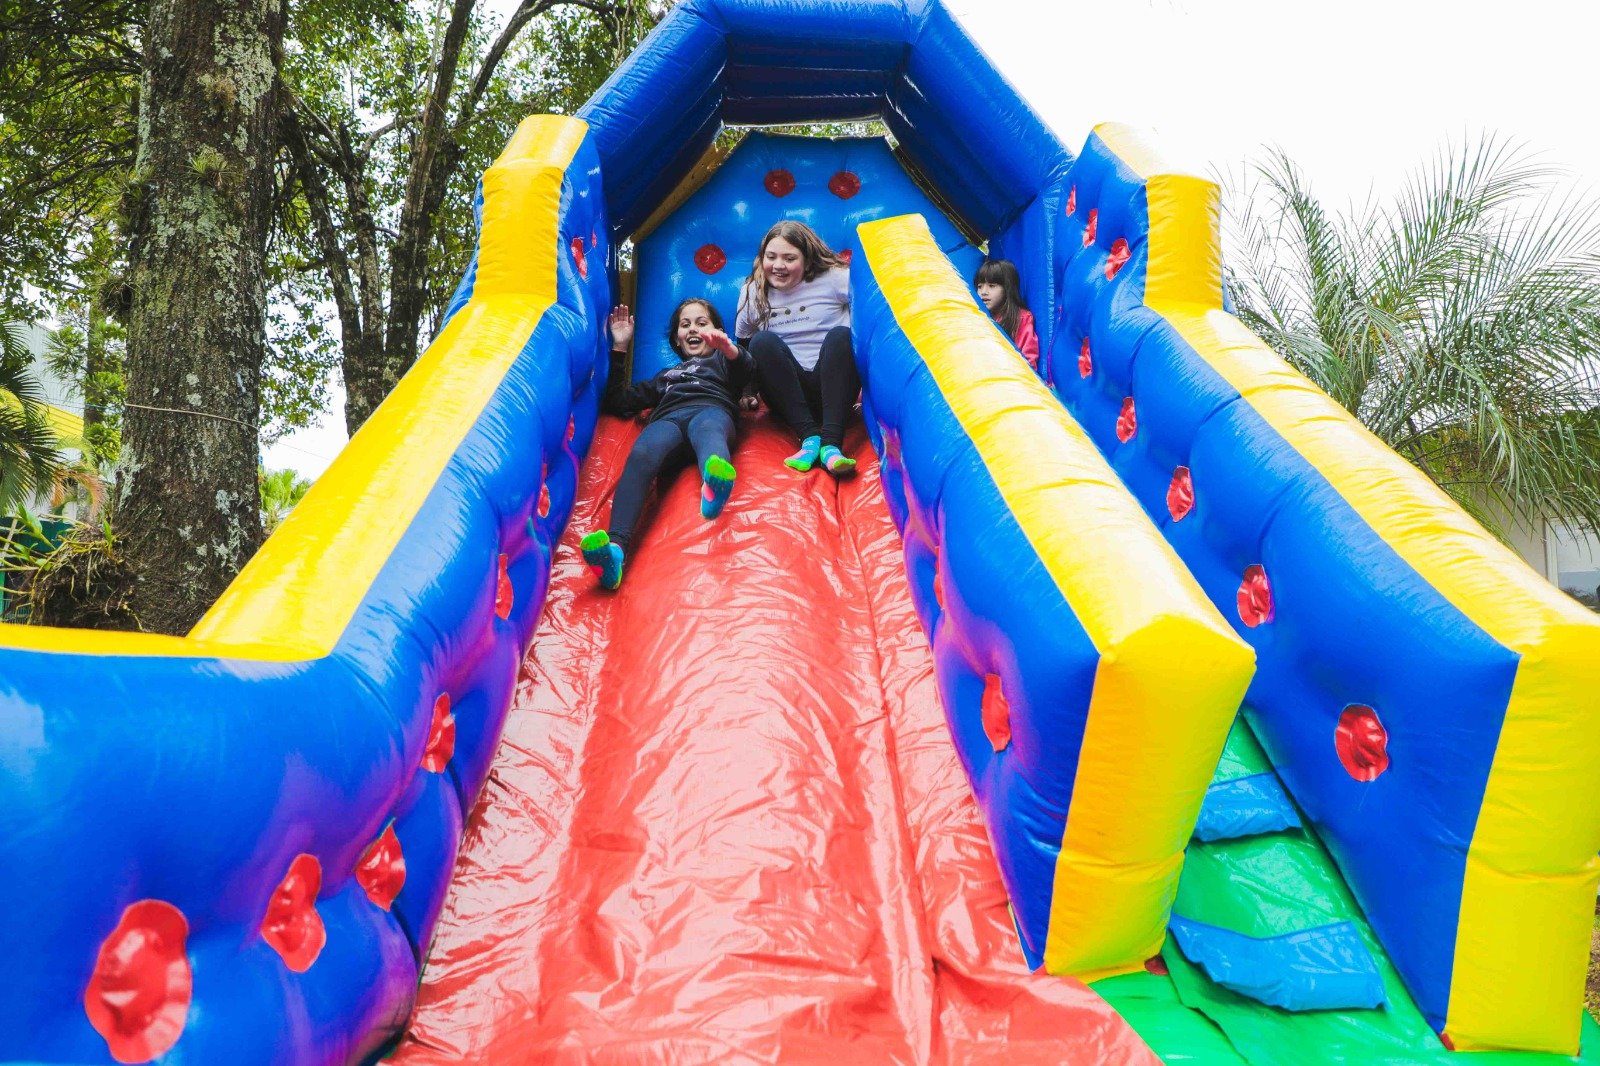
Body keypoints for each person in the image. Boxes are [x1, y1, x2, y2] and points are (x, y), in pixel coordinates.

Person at [579, 298, 752, 590]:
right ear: (677, 339)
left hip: (711, 409)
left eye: (701, 323)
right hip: (668, 420)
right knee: (642, 453)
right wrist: (619, 347)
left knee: (710, 431)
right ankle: (615, 551)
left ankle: (713, 486)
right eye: (685, 325)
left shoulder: (724, 363)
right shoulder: (666, 377)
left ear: (716, 332)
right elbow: (619, 402)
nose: (693, 329)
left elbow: (747, 370)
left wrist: (728, 349)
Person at [736, 220, 859, 477]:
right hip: (789, 394)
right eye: (771, 257)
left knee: (841, 336)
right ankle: (809, 437)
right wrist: (747, 391)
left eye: (789, 258)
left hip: (834, 388)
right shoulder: (753, 292)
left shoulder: (834, 279)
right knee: (762, 342)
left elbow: (875, 303)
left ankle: (831, 446)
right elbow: (744, 344)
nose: (778, 265)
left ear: (807, 259)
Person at [974, 258, 1038, 369]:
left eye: (992, 286)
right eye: (980, 286)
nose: (983, 292)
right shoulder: (978, 316)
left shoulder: (1021, 318)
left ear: (1007, 288)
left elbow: (1028, 360)